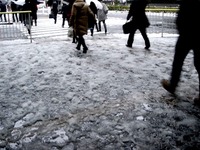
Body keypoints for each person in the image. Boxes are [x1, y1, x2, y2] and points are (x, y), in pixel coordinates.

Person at [161, 0, 200, 105]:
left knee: (178, 61)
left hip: (186, 34)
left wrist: (181, 29)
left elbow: (182, 15)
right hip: (195, 34)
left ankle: (172, 85)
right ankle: (172, 85)